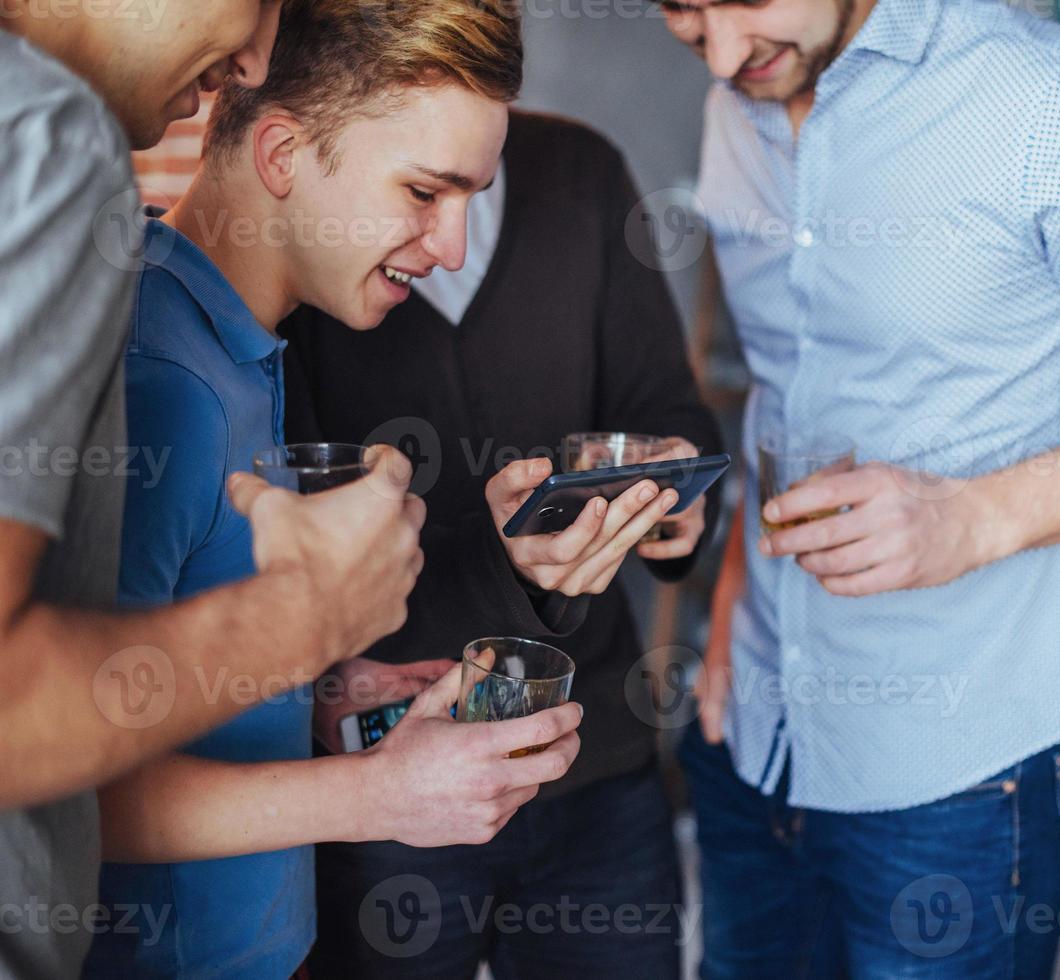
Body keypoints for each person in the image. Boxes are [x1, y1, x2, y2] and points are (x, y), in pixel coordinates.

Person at [663, 0, 1060, 976]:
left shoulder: (1050, 100)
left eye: (742, 1)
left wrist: (972, 516)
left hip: (955, 772)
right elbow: (783, 390)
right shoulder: (735, 102)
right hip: (751, 720)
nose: (718, 51)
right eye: (679, 9)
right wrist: (728, 603)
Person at [81, 1, 685, 975]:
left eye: (469, 202)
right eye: (422, 192)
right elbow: (58, 786)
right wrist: (378, 797)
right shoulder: (166, 383)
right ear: (281, 154)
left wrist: (323, 695)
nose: (447, 247)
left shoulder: (238, 352)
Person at [1, 2, 424, 976]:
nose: (257, 56)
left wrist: (311, 687)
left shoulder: (255, 353)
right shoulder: (49, 141)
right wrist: (305, 617)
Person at [280, 107, 724, 977]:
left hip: (593, 763)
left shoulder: (581, 171)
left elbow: (664, 408)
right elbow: (278, 551)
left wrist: (669, 498)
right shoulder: (304, 226)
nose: (448, 241)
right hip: (388, 772)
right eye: (421, 193)